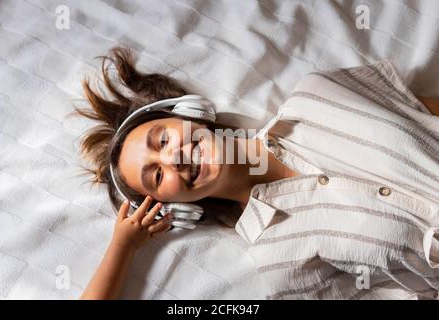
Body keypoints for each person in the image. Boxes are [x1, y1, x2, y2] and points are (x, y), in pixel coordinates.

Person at [78, 47, 439, 300]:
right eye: (156, 176)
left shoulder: (317, 94)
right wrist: (122, 247)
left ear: (189, 112)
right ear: (173, 209)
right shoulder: (283, 263)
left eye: (163, 139)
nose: (172, 159)